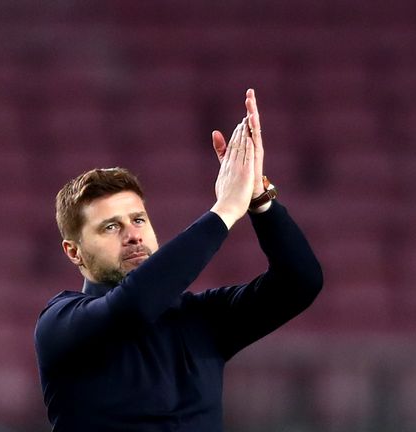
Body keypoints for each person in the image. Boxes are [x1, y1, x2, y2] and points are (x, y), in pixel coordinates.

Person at [34, 89, 323, 431]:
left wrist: (259, 201)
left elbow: (300, 282)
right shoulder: (61, 324)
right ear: (73, 252)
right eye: (111, 227)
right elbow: (133, 305)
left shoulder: (200, 320)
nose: (133, 235)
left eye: (138, 220)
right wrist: (226, 209)